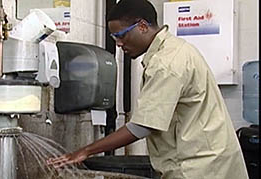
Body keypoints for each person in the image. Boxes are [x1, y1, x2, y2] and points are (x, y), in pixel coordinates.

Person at [47, 0, 249, 178]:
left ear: (142, 26)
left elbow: (142, 127)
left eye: (121, 35)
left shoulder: (167, 63)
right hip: (206, 159)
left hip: (201, 167)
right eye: (113, 37)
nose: (118, 44)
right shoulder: (173, 50)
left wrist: (85, 151)